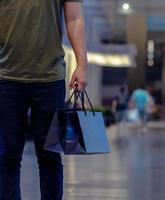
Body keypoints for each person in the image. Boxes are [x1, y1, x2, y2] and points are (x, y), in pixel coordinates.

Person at [0, 1, 88, 199]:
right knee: (6, 155)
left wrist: (82, 65)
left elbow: (74, 18)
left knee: (50, 156)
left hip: (50, 77)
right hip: (6, 77)